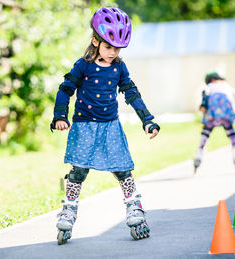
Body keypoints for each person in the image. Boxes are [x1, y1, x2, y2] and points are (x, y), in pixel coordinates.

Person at [50, 7, 160, 244]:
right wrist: (60, 116)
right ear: (95, 41)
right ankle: (68, 211)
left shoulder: (119, 67)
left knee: (122, 169)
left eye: (117, 48)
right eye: (108, 46)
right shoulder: (83, 65)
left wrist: (147, 119)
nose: (113, 52)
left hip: (110, 126)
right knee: (78, 171)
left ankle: (135, 209)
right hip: (84, 126)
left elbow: (131, 92)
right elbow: (65, 89)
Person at [193, 71, 235, 173]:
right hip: (226, 114)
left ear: (210, 80)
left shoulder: (208, 86)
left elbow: (204, 95)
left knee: (205, 135)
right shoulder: (227, 86)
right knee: (232, 135)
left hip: (211, 114)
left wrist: (203, 105)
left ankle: (198, 158)